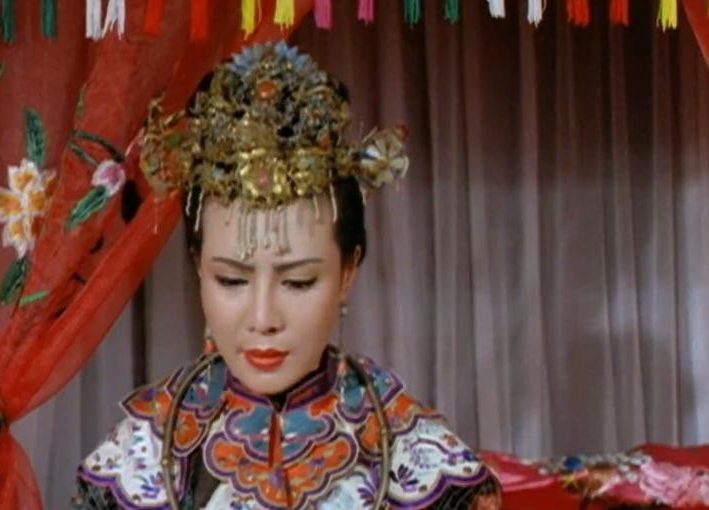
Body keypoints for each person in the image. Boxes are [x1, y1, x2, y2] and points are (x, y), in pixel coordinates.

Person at [72, 41, 502, 510]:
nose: (263, 318)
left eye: (298, 282)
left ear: (348, 272)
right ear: (198, 267)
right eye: (231, 280)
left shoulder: (422, 466)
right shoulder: (140, 459)